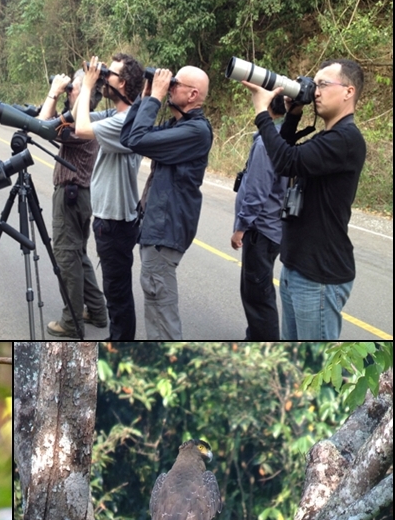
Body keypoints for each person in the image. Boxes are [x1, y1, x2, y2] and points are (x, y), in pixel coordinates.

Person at [239, 59, 366, 339]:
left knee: (318, 372)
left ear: (348, 91)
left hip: (319, 275)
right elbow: (283, 157)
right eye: (314, 84)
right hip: (297, 266)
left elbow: (286, 161)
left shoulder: (346, 140)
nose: (316, 92)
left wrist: (262, 112)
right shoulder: (330, 136)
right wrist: (293, 113)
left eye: (323, 84)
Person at [121, 65, 213, 339]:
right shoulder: (178, 125)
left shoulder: (196, 132)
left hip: (165, 233)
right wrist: (145, 97)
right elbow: (129, 138)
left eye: (175, 84)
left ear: (193, 94)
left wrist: (155, 99)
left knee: (162, 317)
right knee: (157, 308)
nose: (170, 86)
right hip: (157, 230)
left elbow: (137, 139)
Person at [72, 54, 145, 340]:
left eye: (109, 74)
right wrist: (86, 87)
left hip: (115, 222)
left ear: (123, 83)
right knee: (117, 291)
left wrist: (89, 84)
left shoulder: (125, 122)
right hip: (111, 219)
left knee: (117, 295)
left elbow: (80, 129)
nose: (104, 77)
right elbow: (79, 116)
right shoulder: (119, 115)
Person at [36, 69, 106, 338]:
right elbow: (47, 121)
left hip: (71, 197)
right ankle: (97, 311)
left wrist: (53, 91)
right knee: (78, 255)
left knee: (67, 255)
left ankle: (72, 322)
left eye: (73, 88)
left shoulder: (81, 125)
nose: (69, 91)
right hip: (78, 196)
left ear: (86, 93)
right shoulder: (83, 120)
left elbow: (42, 127)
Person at [231, 94, 289, 340]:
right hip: (272, 228)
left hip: (261, 230)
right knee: (257, 291)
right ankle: (254, 336)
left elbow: (256, 192)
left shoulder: (266, 143)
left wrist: (240, 227)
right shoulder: (281, 137)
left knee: (258, 295)